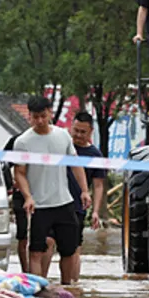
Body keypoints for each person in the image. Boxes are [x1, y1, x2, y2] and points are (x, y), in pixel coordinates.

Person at [13, 96, 91, 285]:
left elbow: (75, 164)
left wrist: (84, 190)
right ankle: (39, 289)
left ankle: (67, 287)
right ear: (29, 116)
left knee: (69, 250)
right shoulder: (23, 142)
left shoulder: (63, 136)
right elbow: (19, 173)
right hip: (39, 206)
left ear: (50, 113)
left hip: (64, 202)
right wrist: (28, 197)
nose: (39, 121)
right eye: (35, 117)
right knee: (36, 251)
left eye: (43, 116)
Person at [2, 129, 53, 271]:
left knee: (47, 238)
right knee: (23, 236)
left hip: (45, 195)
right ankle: (25, 272)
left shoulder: (51, 140)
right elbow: (4, 164)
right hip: (21, 196)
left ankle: (42, 273)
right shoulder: (17, 141)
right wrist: (12, 182)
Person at [68, 113, 106, 280]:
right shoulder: (63, 147)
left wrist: (95, 211)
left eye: (83, 132)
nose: (78, 135)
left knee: (75, 246)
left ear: (91, 131)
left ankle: (73, 284)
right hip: (56, 201)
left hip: (78, 206)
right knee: (48, 242)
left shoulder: (95, 155)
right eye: (75, 130)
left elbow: (98, 185)